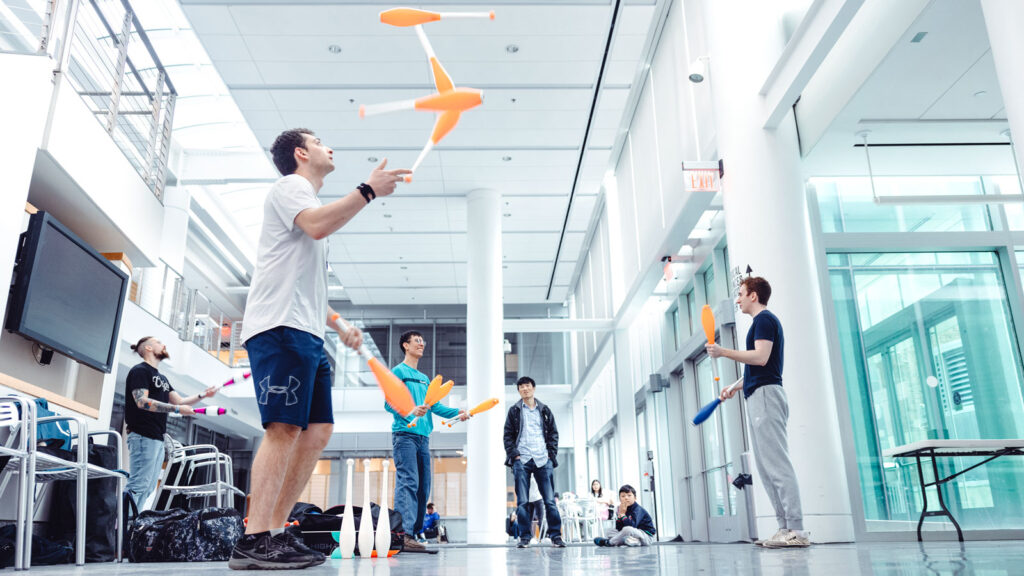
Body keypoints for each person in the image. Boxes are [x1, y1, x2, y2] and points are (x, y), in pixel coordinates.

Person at [231, 128, 410, 570]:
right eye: (320, 142)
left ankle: (274, 531)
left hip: (306, 331)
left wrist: (336, 322)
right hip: (280, 329)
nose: (330, 148)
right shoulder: (291, 187)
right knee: (284, 429)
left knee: (317, 432)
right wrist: (368, 190)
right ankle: (254, 538)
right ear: (300, 152)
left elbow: (302, 277)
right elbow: (316, 225)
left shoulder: (304, 199)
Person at [706, 276, 809, 548]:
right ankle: (785, 527)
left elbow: (761, 357)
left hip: (766, 397)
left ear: (754, 295)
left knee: (776, 464)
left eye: (740, 294)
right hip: (757, 394)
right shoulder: (759, 323)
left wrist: (722, 352)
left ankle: (797, 530)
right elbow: (761, 365)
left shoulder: (764, 320)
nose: (737, 299)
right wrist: (736, 385)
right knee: (766, 468)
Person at [386, 330, 468, 552]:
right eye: (417, 341)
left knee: (423, 487)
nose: (422, 345)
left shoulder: (424, 379)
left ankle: (415, 533)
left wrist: (457, 413)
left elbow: (436, 407)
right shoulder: (398, 372)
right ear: (405, 345)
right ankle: (403, 535)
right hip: (404, 435)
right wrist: (411, 410)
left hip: (423, 439)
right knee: (408, 483)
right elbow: (389, 404)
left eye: (423, 342)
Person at [124, 337, 218, 509]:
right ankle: (120, 530)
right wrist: (176, 410)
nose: (164, 344)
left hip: (156, 438)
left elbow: (180, 401)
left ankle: (131, 528)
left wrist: (203, 395)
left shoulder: (162, 378)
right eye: (160, 342)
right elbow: (142, 402)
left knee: (149, 487)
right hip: (142, 436)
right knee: (138, 486)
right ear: (149, 348)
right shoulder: (140, 371)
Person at [504, 376, 566, 548]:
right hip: (521, 460)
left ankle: (556, 536)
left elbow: (553, 433)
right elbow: (507, 436)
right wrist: (514, 455)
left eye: (527, 386)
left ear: (533, 388)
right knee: (523, 502)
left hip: (542, 459)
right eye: (521, 387)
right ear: (518, 391)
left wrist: (550, 455)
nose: (525, 389)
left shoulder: (544, 410)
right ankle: (525, 537)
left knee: (549, 501)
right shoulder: (514, 411)